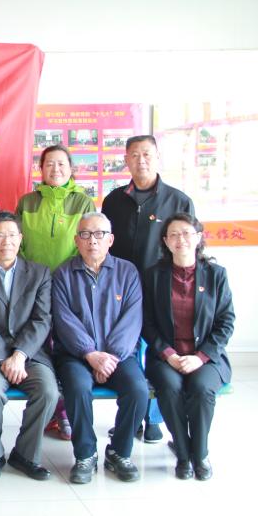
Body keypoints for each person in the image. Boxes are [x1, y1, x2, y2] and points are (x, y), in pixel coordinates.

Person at [102, 134, 195, 443]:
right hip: (121, 289)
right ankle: (131, 416)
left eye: (147, 154)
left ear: (157, 158)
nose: (141, 160)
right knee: (125, 351)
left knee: (158, 348)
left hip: (161, 288)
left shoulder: (178, 200)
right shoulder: (114, 200)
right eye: (134, 155)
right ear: (126, 160)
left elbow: (188, 244)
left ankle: (153, 418)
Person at [52, 212, 148, 484]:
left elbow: (132, 319)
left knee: (138, 390)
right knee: (78, 387)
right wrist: (90, 354)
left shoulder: (127, 272)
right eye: (85, 234)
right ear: (76, 240)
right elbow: (63, 320)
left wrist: (111, 357)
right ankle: (86, 454)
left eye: (99, 234)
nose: (92, 240)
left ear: (110, 240)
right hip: (76, 354)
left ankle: (119, 451)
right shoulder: (63, 274)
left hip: (119, 354)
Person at [0, 211, 58, 481]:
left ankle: (25, 455)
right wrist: (4, 357)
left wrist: (19, 355)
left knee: (48, 391)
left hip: (30, 353)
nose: (7, 241)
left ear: (21, 238)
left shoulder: (39, 273)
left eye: (12, 235)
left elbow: (42, 319)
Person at [142, 213, 235, 480]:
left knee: (201, 388)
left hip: (206, 357)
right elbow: (146, 322)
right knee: (169, 388)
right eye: (173, 234)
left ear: (198, 237)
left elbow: (226, 322)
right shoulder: (154, 275)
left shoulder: (216, 275)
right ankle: (183, 455)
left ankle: (200, 453)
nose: (180, 239)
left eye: (186, 233)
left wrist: (201, 357)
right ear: (165, 241)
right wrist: (169, 354)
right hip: (165, 356)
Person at [16, 144, 96, 441]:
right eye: (49, 164)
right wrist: (29, 275)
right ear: (41, 169)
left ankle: (64, 412)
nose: (55, 169)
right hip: (32, 285)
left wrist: (67, 274)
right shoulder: (28, 201)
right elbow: (16, 242)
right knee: (40, 345)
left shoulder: (83, 201)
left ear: (71, 168)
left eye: (62, 164)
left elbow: (87, 243)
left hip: (69, 283)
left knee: (66, 346)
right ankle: (47, 408)